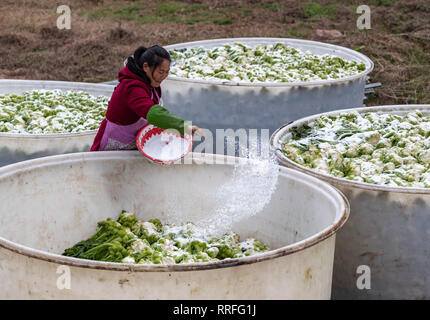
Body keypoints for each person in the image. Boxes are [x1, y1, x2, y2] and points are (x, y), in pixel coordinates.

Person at [91, 45, 203, 151]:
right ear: (145, 67)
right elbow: (152, 113)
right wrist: (183, 127)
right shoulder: (131, 87)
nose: (163, 76)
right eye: (160, 72)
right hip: (113, 145)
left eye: (166, 72)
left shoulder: (151, 84)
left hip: (134, 143)